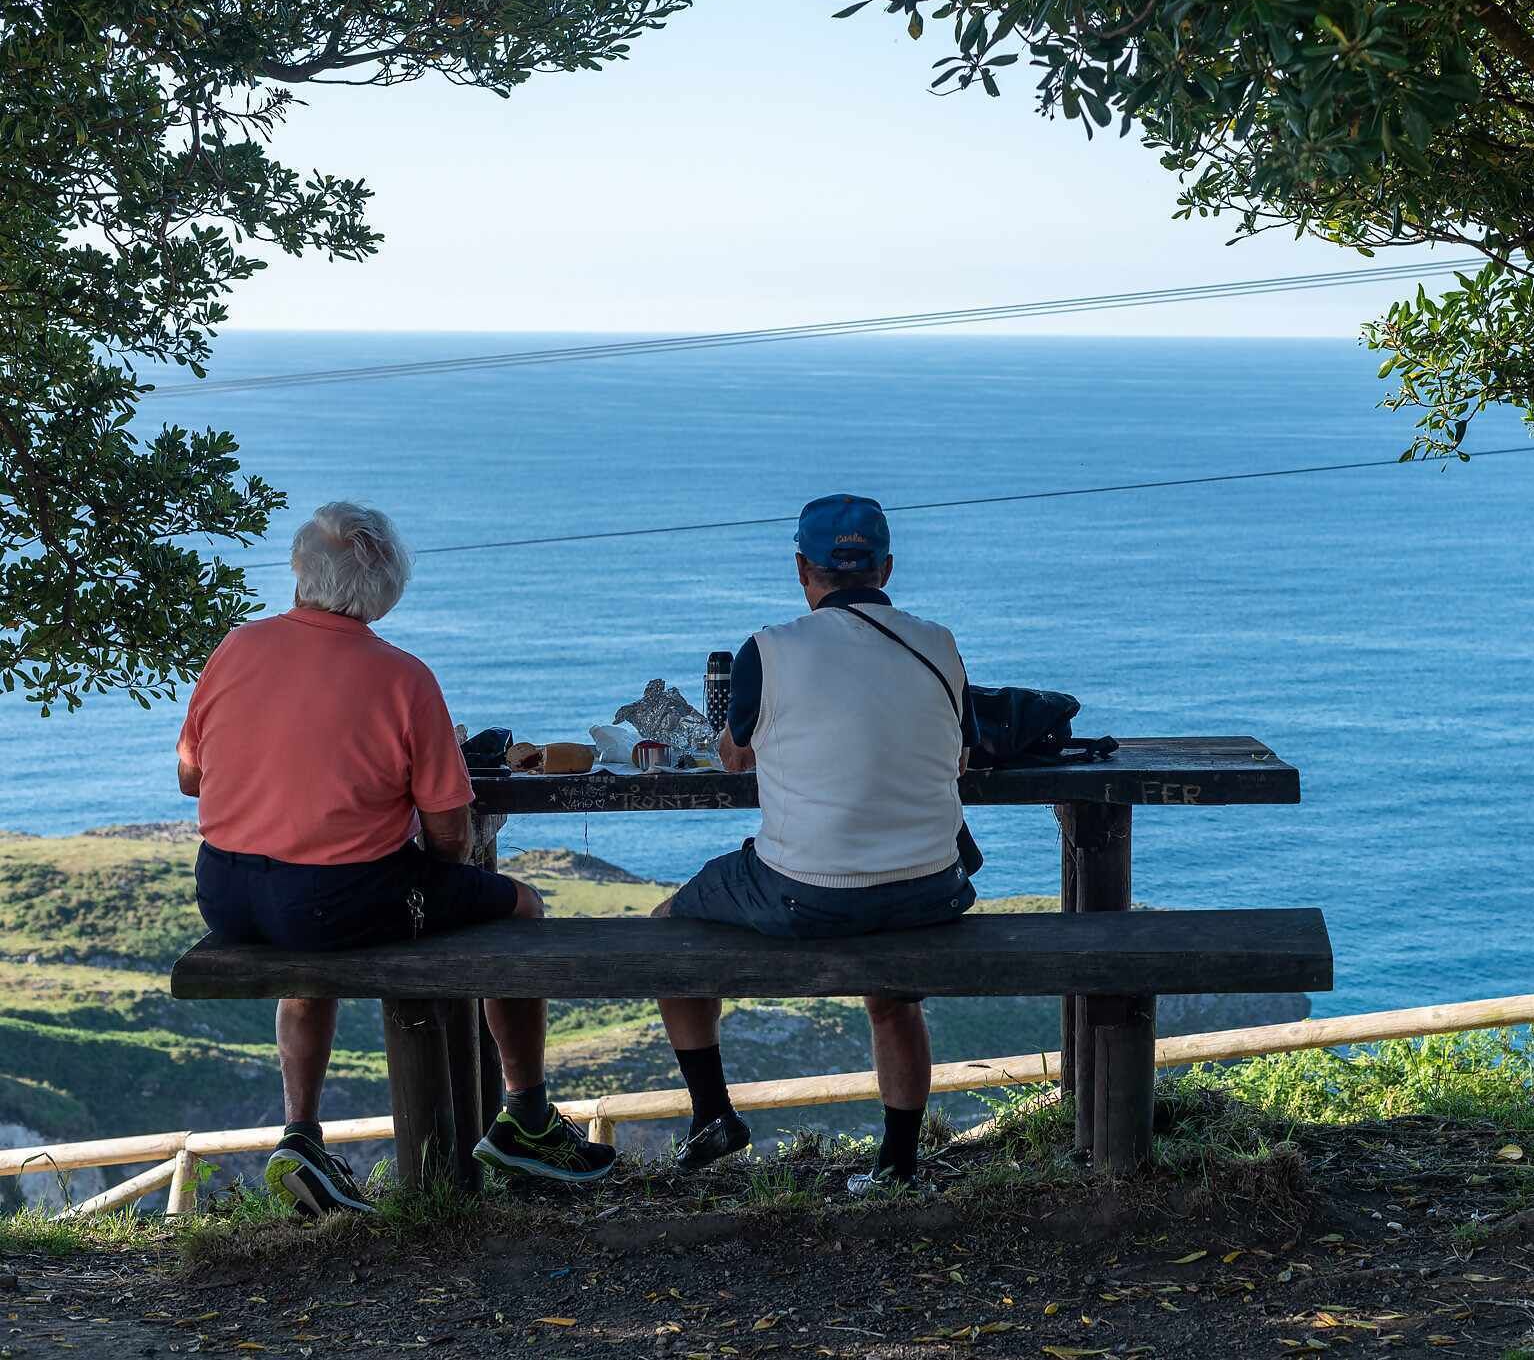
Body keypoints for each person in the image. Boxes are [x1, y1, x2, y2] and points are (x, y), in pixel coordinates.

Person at [177, 502, 614, 1216]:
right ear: (386, 592)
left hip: (226, 892)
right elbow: (448, 833)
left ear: (298, 574)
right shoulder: (403, 678)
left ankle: (301, 1134)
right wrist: (432, 851)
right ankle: (528, 1117)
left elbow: (192, 775)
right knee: (520, 904)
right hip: (333, 902)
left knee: (306, 947)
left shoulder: (235, 647)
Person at [655, 494, 977, 1192]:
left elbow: (735, 758)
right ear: (887, 568)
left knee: (664, 933)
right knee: (893, 995)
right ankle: (897, 1165)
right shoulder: (941, 643)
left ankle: (713, 1113)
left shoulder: (768, 650)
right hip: (933, 890)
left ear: (803, 569)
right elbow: (957, 760)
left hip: (807, 897)